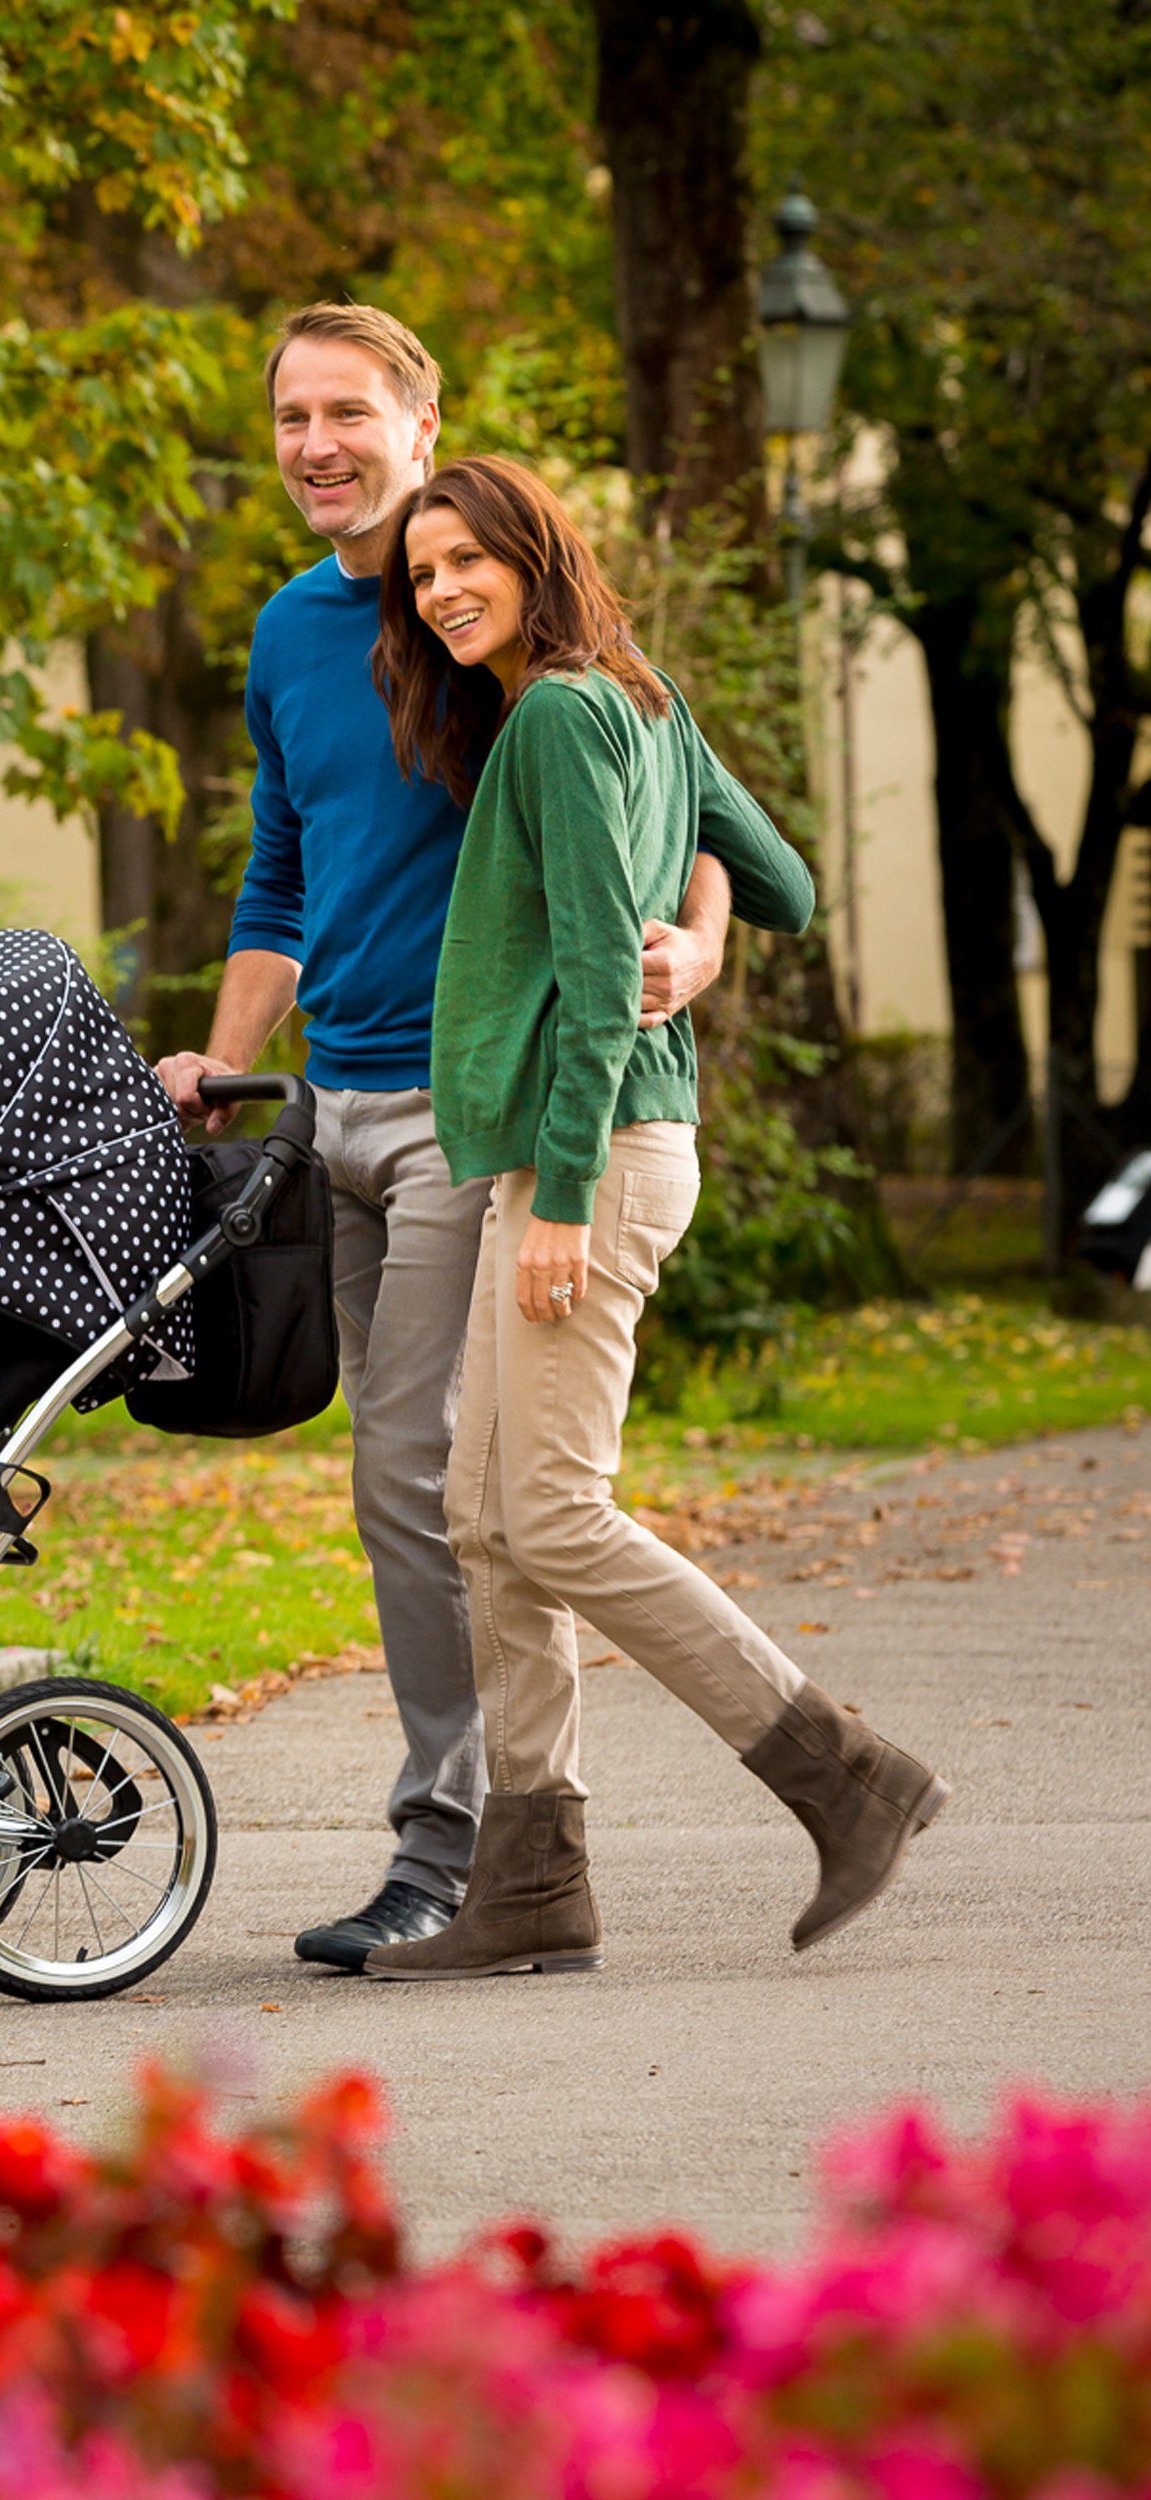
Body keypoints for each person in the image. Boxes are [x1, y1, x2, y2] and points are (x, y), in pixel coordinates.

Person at [156, 302, 777, 1973]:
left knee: (433, 1482)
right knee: (408, 1494)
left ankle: (459, 1844)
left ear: (424, 425)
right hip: (330, 1104)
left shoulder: (503, 623)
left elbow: (686, 795)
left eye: (348, 410)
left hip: (470, 1113)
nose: (313, 445)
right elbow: (281, 873)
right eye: (289, 415)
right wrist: (220, 1071)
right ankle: (504, 1844)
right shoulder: (293, 634)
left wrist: (698, 942)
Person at [357, 455, 945, 1979]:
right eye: (423, 577)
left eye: (468, 559)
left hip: (589, 1157)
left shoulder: (561, 712)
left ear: (535, 554)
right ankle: (533, 1878)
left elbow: (601, 963)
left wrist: (558, 1189)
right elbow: (783, 887)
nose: (443, 593)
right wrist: (703, 929)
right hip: (568, 1153)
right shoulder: (645, 702)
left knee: (547, 1510)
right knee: (485, 1520)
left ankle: (843, 1772)